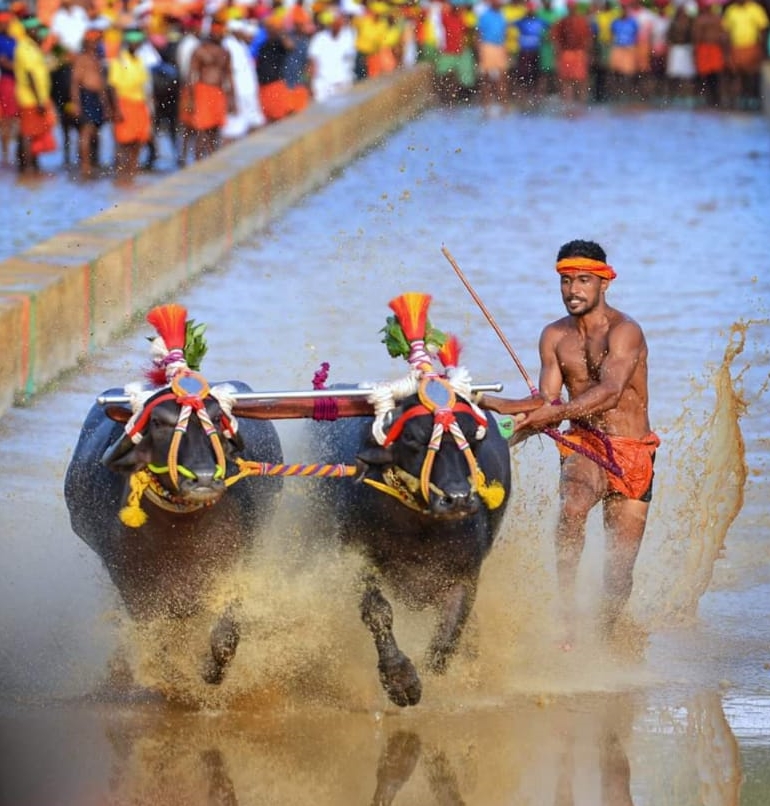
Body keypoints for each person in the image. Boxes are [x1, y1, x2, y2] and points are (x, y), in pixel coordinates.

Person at [483, 240, 659, 648]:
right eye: (565, 281)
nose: (573, 290)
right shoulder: (554, 336)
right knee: (574, 505)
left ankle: (607, 635)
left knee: (619, 573)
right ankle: (566, 614)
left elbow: (611, 391)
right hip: (585, 442)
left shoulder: (625, 331)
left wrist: (550, 414)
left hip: (633, 452)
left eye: (583, 280)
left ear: (603, 283)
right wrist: (493, 411)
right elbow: (545, 401)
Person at [107, 28, 151, 182]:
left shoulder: (139, 60)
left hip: (139, 104)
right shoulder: (118, 60)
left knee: (138, 141)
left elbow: (144, 86)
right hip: (124, 103)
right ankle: (121, 175)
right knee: (123, 142)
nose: (135, 45)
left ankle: (132, 172)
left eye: (138, 42)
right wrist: (117, 109)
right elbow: (112, 87)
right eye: (132, 42)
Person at [70, 27, 111, 178]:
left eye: (96, 41)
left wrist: (106, 105)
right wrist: (76, 103)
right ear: (86, 43)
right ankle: (85, 165)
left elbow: (102, 85)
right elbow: (75, 83)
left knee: (95, 132)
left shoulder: (97, 58)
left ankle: (95, 162)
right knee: (86, 132)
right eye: (92, 42)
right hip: (86, 96)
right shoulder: (82, 59)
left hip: (96, 98)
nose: (94, 44)